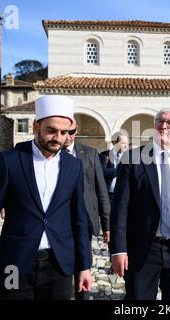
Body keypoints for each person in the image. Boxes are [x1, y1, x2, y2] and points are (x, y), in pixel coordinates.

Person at [0, 95, 93, 300]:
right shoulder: (10, 162)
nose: (58, 137)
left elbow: (79, 220)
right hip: (13, 265)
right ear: (36, 127)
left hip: (58, 268)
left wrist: (84, 266)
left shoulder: (74, 166)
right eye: (51, 130)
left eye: (64, 132)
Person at [110, 109, 170, 300]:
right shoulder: (132, 159)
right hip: (143, 249)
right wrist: (118, 249)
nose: (163, 126)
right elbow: (120, 209)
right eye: (159, 121)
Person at [62, 121, 111, 300]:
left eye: (71, 131)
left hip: (85, 219)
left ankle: (82, 295)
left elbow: (101, 190)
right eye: (64, 132)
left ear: (76, 131)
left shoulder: (90, 153)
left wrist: (107, 224)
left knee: (83, 264)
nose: (67, 136)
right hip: (59, 221)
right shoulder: (51, 154)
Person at [99, 131, 129, 206]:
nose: (126, 146)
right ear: (114, 143)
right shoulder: (104, 156)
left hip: (123, 195)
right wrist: (121, 170)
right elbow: (102, 172)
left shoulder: (129, 157)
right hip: (108, 195)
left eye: (127, 143)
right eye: (123, 143)